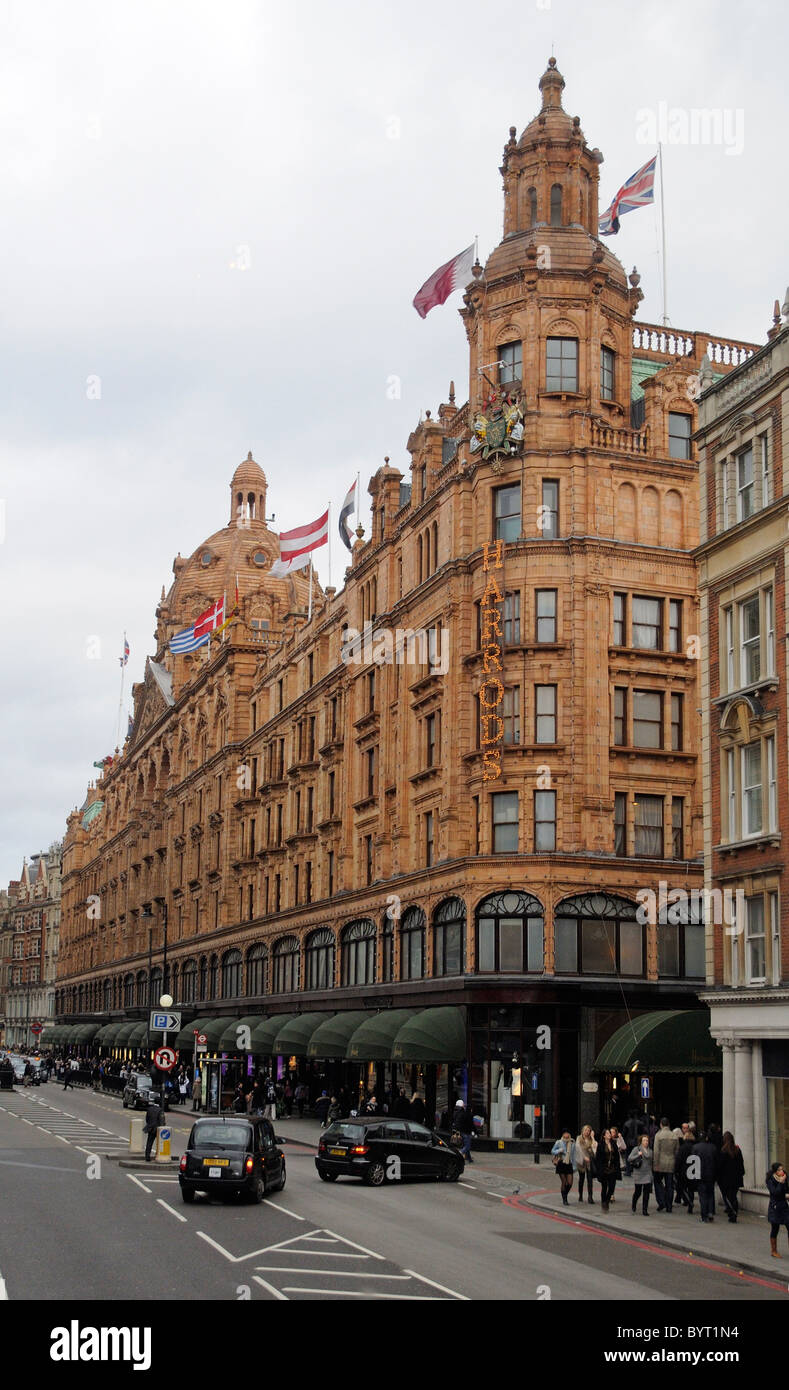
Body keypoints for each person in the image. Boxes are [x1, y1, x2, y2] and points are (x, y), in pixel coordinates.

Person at [716, 1132, 745, 1223]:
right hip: (736, 1178)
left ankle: (732, 1212)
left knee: (728, 1196)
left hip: (726, 1178)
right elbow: (741, 1164)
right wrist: (741, 1173)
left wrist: (718, 1176)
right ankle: (733, 1212)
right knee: (733, 1196)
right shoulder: (737, 1150)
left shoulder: (723, 1151)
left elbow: (720, 1166)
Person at [652, 1117, 679, 1213]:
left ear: (661, 1124)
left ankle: (661, 1201)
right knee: (670, 1185)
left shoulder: (658, 1135)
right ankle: (669, 1206)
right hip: (671, 1162)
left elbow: (656, 1151)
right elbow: (677, 1151)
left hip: (660, 1162)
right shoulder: (674, 1136)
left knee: (657, 1182)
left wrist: (655, 1165)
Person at [691, 1130, 718, 1223]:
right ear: (706, 1138)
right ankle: (710, 1211)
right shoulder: (713, 1147)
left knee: (702, 1196)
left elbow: (692, 1162)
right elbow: (716, 1161)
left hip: (700, 1175)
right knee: (710, 1194)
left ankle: (704, 1215)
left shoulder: (695, 1147)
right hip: (711, 1174)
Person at [594, 1128, 621, 1212]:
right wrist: (599, 1169)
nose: (609, 1134)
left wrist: (617, 1167)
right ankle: (604, 1202)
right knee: (604, 1187)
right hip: (604, 1169)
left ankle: (607, 1200)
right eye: (607, 1133)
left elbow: (617, 1156)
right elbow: (598, 1158)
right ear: (604, 1135)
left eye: (610, 1133)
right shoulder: (601, 1145)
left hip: (612, 1168)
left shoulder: (613, 1143)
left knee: (612, 1187)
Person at [767, 1162, 789, 1257]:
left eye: (782, 1169)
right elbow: (775, 1192)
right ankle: (774, 1251)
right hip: (775, 1207)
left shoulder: (784, 1178)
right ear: (775, 1172)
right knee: (775, 1228)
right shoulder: (770, 1180)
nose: (782, 1171)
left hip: (784, 1206)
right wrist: (781, 1182)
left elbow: (786, 1190)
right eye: (779, 1170)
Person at [628, 1133, 653, 1215]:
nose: (646, 1142)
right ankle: (634, 1203)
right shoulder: (637, 1149)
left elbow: (651, 1163)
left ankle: (644, 1210)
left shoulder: (650, 1151)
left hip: (647, 1174)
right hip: (638, 1174)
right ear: (641, 1142)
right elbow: (629, 1158)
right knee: (638, 1192)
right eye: (644, 1140)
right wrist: (637, 1155)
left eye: (647, 1140)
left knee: (646, 1193)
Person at [551, 1131, 575, 1205]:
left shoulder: (572, 1143)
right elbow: (552, 1151)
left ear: (569, 1137)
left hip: (569, 1164)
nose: (565, 1139)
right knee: (564, 1182)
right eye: (564, 1137)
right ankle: (564, 1199)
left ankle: (565, 1194)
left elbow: (573, 1154)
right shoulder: (559, 1142)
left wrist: (574, 1165)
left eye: (567, 1137)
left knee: (570, 1183)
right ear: (562, 1136)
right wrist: (559, 1150)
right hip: (561, 1164)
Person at [574, 1125, 597, 1203]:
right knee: (581, 1179)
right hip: (582, 1161)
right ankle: (580, 1195)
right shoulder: (579, 1138)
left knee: (590, 1180)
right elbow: (578, 1149)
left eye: (589, 1131)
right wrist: (584, 1157)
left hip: (589, 1162)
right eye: (586, 1130)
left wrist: (593, 1137)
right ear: (583, 1130)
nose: (587, 1132)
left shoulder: (591, 1139)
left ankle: (590, 1197)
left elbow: (595, 1148)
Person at [676, 1129, 696, 1214]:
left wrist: (676, 1169)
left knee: (683, 1187)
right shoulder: (695, 1147)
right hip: (693, 1169)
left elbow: (679, 1159)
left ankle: (686, 1200)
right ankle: (690, 1204)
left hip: (684, 1169)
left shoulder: (682, 1148)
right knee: (691, 1189)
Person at [144, 1092, 165, 1162]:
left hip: (150, 1128)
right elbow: (162, 1121)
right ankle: (158, 1155)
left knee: (149, 1142)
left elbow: (147, 1119)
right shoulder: (160, 1110)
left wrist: (149, 1124)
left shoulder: (149, 1109)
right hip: (158, 1129)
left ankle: (147, 1156)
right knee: (159, 1143)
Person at [610, 1127, 626, 1201]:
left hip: (616, 1162)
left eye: (613, 1132)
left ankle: (612, 1194)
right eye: (610, 1132)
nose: (611, 1134)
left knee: (613, 1179)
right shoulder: (607, 1140)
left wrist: (620, 1138)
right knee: (608, 1179)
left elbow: (624, 1147)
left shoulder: (618, 1140)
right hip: (608, 1161)